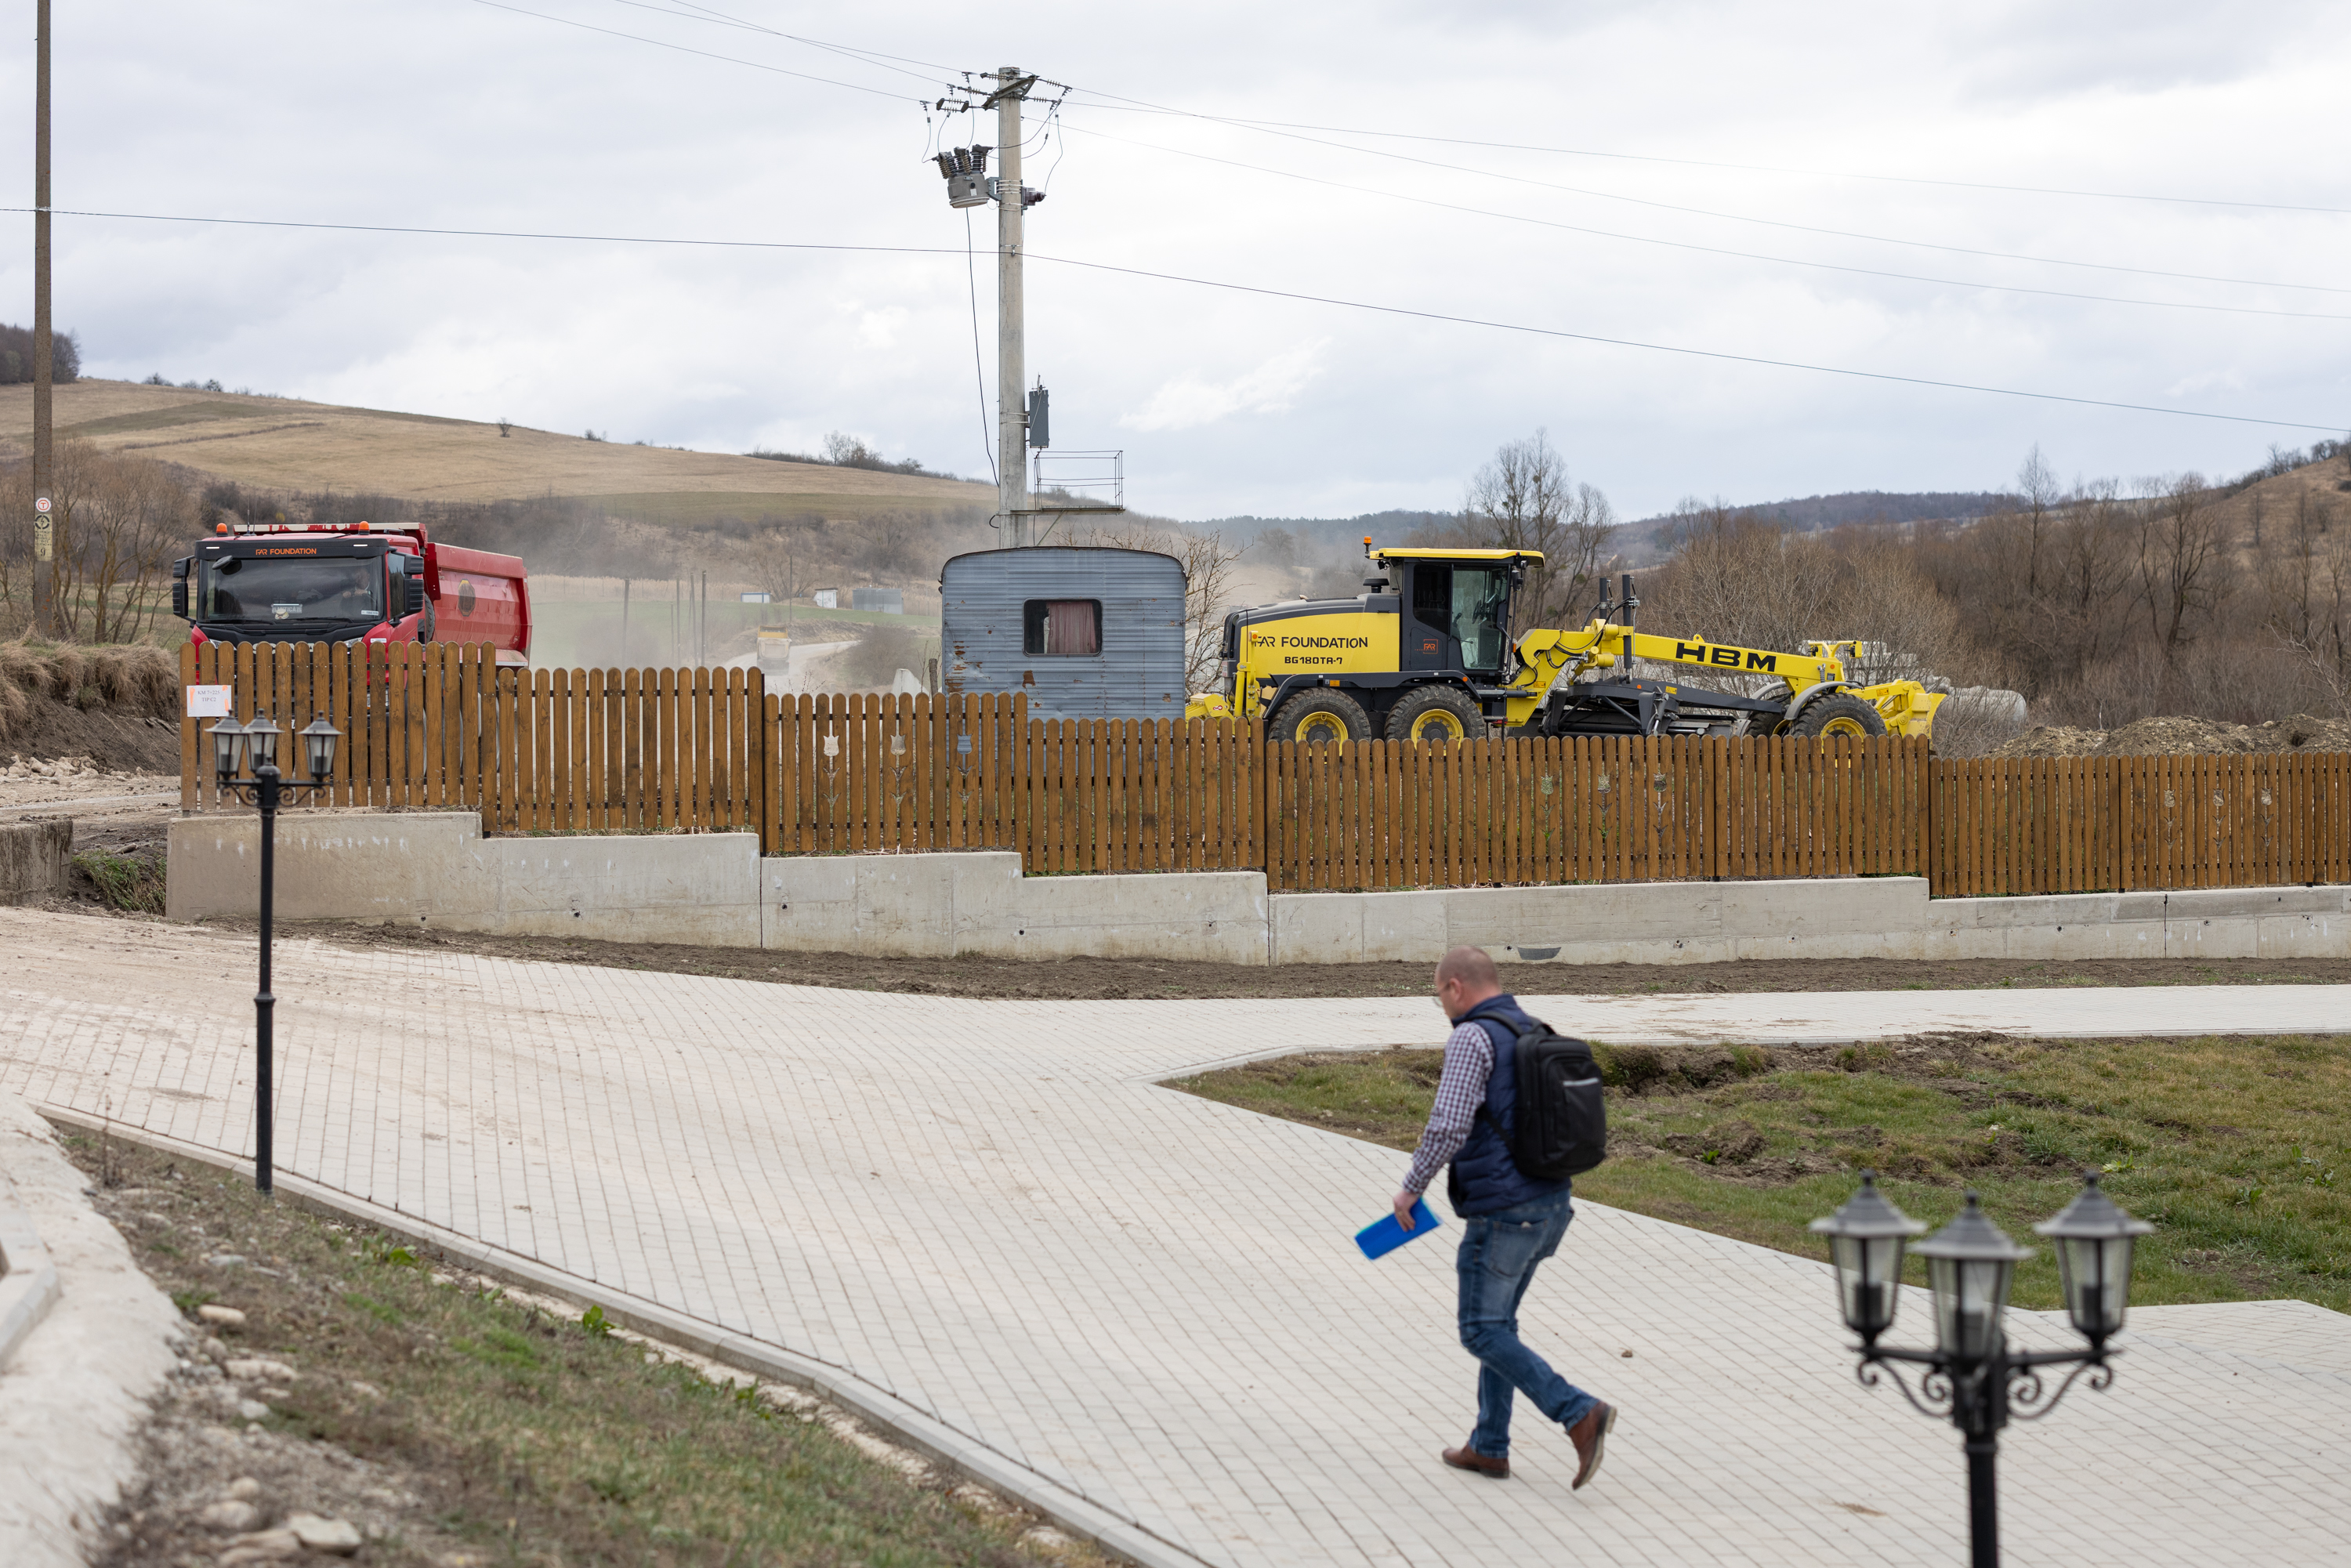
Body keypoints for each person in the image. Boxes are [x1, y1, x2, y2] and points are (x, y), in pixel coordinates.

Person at [1393, 944, 1615, 1487]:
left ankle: (1578, 1411)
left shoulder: (1472, 1035)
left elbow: (1448, 1124)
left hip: (1502, 1213)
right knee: (1501, 1325)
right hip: (1550, 1205)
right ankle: (1489, 1445)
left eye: (1438, 994)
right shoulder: (1529, 1026)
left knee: (1480, 1329)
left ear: (1454, 987)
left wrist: (1410, 1188)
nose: (1442, 1005)